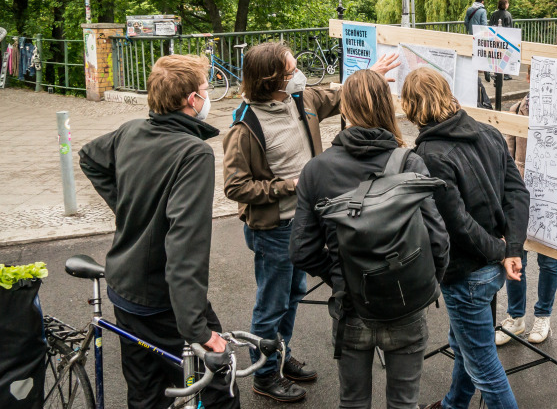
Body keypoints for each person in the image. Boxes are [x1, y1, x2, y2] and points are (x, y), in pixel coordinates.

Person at [222, 42, 398, 402]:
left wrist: (372, 76)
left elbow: (339, 96)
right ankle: (265, 374)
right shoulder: (245, 125)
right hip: (273, 229)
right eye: (291, 70)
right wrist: (291, 185)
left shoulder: (300, 100)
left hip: (304, 221)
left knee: (293, 295)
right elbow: (236, 186)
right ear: (271, 78)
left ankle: (280, 357)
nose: (298, 74)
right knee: (271, 304)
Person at [79, 55, 239, 409]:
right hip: (160, 298)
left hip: (124, 287)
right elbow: (185, 246)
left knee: (145, 392)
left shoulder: (131, 130)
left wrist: (127, 206)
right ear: (191, 101)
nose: (208, 94)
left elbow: (90, 156)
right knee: (218, 390)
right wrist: (198, 331)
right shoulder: (193, 153)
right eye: (205, 88)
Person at [289, 69, 449, 409]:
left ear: (345, 109)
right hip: (406, 305)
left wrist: (339, 276)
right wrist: (423, 282)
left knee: (353, 403)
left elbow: (301, 250)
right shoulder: (410, 163)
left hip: (351, 307)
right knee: (404, 403)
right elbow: (439, 241)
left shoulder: (316, 169)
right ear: (387, 108)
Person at [402, 68, 529, 409]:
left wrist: (503, 250)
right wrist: (510, 248)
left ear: (411, 105)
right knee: (465, 344)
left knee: (483, 364)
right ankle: (454, 403)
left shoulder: (430, 154)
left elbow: (456, 224)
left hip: (468, 272)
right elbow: (517, 193)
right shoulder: (487, 132)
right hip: (490, 267)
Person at [496, 66, 557, 347]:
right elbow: (506, 159)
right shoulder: (515, 111)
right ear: (530, 78)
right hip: (520, 198)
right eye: (538, 75)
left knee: (548, 259)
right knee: (515, 253)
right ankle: (515, 316)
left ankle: (543, 315)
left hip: (551, 198)